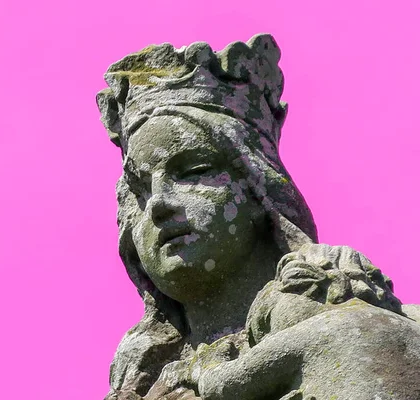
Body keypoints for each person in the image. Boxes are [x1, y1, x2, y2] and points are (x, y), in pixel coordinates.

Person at [97, 34, 420, 399]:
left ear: (258, 187)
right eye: (140, 192)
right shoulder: (144, 387)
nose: (158, 204)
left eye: (194, 171)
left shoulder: (372, 328)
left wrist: (350, 336)